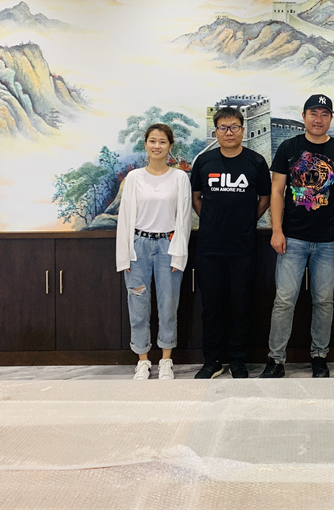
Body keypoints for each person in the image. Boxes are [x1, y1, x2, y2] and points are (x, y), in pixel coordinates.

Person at [262, 94, 334, 378]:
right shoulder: (289, 147)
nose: (318, 119)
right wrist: (277, 230)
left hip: (329, 241)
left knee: (324, 301)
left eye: (324, 114)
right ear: (303, 116)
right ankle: (276, 360)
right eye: (313, 113)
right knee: (284, 300)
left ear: (331, 118)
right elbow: (276, 190)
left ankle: (319, 356)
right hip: (292, 239)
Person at [190, 106, 271, 379]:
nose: (229, 132)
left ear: (243, 130)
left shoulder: (256, 162)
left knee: (241, 306)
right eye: (223, 128)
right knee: (211, 307)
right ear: (216, 132)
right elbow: (196, 198)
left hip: (243, 247)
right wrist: (213, 221)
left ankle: (238, 360)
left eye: (234, 127)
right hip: (209, 247)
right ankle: (212, 361)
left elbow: (264, 199)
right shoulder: (204, 162)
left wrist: (246, 221)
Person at [115, 123, 193, 380]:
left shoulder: (179, 178)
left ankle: (166, 360)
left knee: (168, 305)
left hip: (168, 245)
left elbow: (184, 218)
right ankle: (143, 360)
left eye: (162, 141)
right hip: (138, 245)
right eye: (152, 141)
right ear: (145, 144)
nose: (157, 146)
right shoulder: (134, 178)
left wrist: (179, 254)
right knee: (137, 304)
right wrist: (124, 255)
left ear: (170, 146)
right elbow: (125, 218)